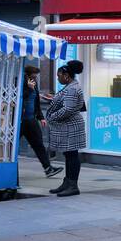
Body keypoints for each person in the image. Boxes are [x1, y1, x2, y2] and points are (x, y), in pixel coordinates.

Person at [45, 60, 86, 198]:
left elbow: (68, 109)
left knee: (72, 155)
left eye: (59, 75)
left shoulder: (72, 89)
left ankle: (73, 185)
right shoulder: (70, 87)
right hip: (68, 126)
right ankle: (67, 182)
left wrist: (52, 117)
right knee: (69, 155)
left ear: (66, 75)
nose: (58, 78)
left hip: (71, 126)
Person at [18, 66, 62, 179]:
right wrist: (29, 88)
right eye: (34, 74)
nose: (35, 77)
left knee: (39, 145)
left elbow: (36, 102)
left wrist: (41, 117)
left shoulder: (34, 83)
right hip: (20, 121)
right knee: (11, 146)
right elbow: (19, 98)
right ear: (28, 74)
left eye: (36, 75)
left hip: (32, 120)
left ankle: (48, 168)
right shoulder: (21, 82)